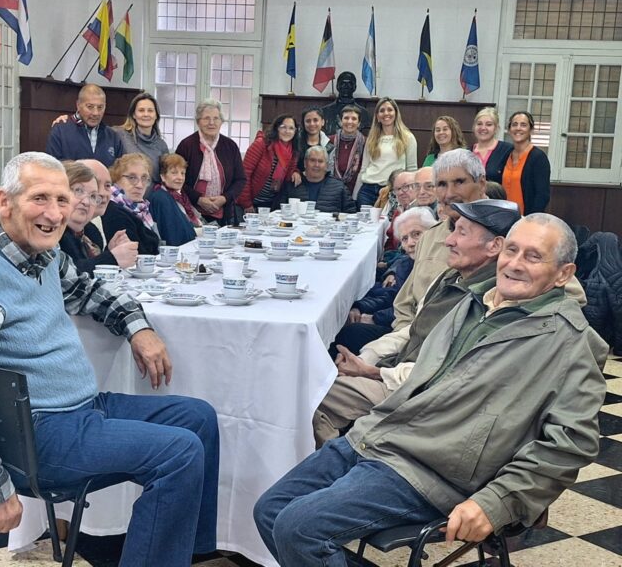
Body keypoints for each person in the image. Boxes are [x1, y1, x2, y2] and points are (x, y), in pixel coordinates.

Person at [0, 152, 219, 567]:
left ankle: (184, 555)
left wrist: (139, 328)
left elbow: (87, 291)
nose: (55, 213)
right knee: (178, 452)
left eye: (62, 199)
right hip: (33, 435)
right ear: (5, 201)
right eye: (40, 198)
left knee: (198, 418)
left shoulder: (38, 253)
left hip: (79, 411)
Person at [254, 213, 607, 567]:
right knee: (269, 509)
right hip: (378, 437)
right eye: (511, 250)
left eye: (533, 256)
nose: (514, 264)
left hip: (432, 471)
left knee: (299, 529)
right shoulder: (473, 301)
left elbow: (570, 445)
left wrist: (497, 500)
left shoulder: (571, 343)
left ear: (563, 273)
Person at [316, 199, 521, 447]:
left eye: (462, 233)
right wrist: (366, 358)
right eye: (453, 230)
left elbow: (447, 373)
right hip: (398, 374)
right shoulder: (449, 277)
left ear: (495, 246)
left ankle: (337, 460)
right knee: (321, 381)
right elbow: (411, 330)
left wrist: (373, 372)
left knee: (313, 397)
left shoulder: (489, 299)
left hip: (419, 394)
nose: (448, 240)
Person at [392, 149, 488, 330]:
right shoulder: (429, 237)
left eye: (459, 182)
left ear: (481, 184)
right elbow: (404, 304)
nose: (449, 193)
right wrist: (405, 338)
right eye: (442, 184)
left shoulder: (509, 236)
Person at [327, 207, 436, 358]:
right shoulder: (407, 264)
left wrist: (374, 318)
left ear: (433, 232)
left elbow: (417, 311)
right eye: (404, 239)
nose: (410, 243)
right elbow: (392, 296)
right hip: (398, 324)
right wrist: (360, 307)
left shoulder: (436, 265)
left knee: (349, 334)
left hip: (414, 334)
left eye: (417, 234)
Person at [176, 98, 247, 226]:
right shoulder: (186, 145)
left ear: (221, 122)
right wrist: (198, 199)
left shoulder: (230, 146)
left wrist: (224, 198)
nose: (211, 123)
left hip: (225, 212)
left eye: (216, 118)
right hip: (191, 211)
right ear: (198, 121)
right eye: (206, 118)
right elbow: (176, 180)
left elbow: (240, 179)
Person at [59, 161, 138, 273]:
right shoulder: (54, 233)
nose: (86, 202)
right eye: (78, 191)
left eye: (92, 196)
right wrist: (112, 258)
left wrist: (111, 251)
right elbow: (66, 274)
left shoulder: (92, 232)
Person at [356, 97, 418, 207]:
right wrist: (355, 195)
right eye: (382, 110)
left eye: (389, 110)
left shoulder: (408, 137)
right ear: (377, 117)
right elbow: (364, 168)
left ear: (396, 114)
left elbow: (412, 170)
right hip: (367, 191)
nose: (386, 113)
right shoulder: (371, 139)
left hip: (392, 190)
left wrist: (412, 196)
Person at [45, 84, 123, 167]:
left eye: (100, 107)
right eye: (90, 107)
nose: (95, 113)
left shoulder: (112, 136)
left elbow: (120, 170)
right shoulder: (60, 131)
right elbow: (52, 167)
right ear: (78, 105)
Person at [237, 114, 300, 212]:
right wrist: (247, 204)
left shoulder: (293, 151)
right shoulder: (261, 144)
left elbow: (289, 173)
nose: (287, 131)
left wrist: (295, 172)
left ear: (295, 131)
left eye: (291, 128)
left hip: (272, 205)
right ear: (276, 128)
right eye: (283, 127)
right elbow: (244, 174)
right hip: (250, 203)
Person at [103, 153, 161, 255]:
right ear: (116, 178)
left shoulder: (141, 209)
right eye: (132, 178)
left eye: (144, 178)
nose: (139, 185)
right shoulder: (114, 212)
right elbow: (137, 255)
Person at [116, 92, 170, 187]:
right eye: (141, 110)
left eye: (150, 111)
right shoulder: (119, 135)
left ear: (156, 115)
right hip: (124, 192)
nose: (146, 114)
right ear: (134, 114)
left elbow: (165, 177)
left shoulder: (161, 145)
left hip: (152, 194)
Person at [502, 110, 551, 214]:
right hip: (503, 217)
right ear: (509, 129)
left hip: (527, 218)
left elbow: (542, 195)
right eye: (514, 124)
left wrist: (530, 219)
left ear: (531, 130)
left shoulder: (538, 157)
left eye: (523, 125)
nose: (518, 128)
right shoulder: (506, 155)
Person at [281, 146, 356, 213]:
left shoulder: (339, 187)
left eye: (320, 161)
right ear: (305, 163)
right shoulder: (292, 185)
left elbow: (351, 214)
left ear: (326, 165)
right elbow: (278, 212)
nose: (316, 165)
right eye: (312, 160)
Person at [148, 153, 199, 247]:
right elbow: (171, 235)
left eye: (182, 173)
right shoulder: (161, 198)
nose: (180, 178)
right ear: (163, 176)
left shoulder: (181, 196)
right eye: (174, 173)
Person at [327, 105, 366, 198]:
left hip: (356, 191)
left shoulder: (366, 142)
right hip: (331, 189)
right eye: (346, 118)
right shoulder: (329, 140)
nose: (349, 121)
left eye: (354, 119)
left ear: (359, 123)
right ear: (340, 121)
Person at [470, 106, 513, 184]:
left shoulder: (508, 150)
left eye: (489, 124)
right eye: (479, 124)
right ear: (474, 127)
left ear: (496, 128)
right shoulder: (467, 152)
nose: (483, 128)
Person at [321, 71, 370, 136]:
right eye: (343, 83)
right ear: (337, 86)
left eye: (350, 84)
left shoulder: (364, 113)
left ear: (355, 87)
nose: (346, 86)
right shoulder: (324, 111)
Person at [296, 106, 333, 173]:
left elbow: (330, 170)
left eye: (315, 120)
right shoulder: (295, 143)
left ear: (322, 122)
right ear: (303, 123)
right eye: (308, 121)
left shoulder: (329, 147)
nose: (312, 124)